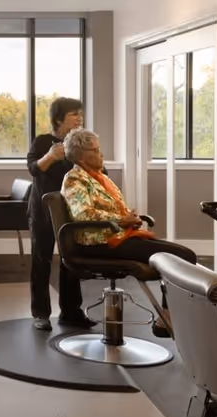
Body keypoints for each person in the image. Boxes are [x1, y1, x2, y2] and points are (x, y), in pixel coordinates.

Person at [60, 128, 198, 289]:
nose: (101, 154)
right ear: (81, 156)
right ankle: (172, 304)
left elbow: (113, 210)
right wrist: (122, 220)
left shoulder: (101, 178)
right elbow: (83, 214)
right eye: (96, 150)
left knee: (184, 255)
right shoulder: (74, 179)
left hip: (119, 237)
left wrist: (130, 219)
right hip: (99, 243)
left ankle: (170, 303)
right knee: (183, 257)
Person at [26, 97, 93, 331]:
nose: (80, 118)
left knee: (70, 261)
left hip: (70, 212)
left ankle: (71, 312)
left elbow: (98, 169)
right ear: (58, 119)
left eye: (80, 114)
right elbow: (33, 168)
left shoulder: (80, 144)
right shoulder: (43, 141)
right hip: (42, 212)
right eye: (74, 114)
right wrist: (51, 156)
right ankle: (41, 314)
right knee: (41, 260)